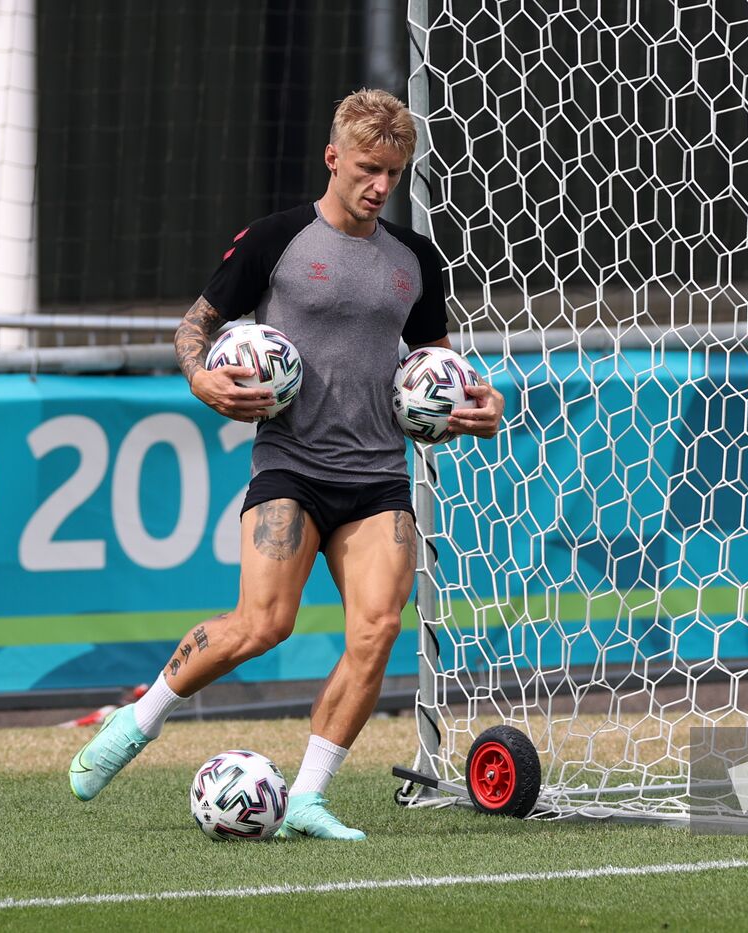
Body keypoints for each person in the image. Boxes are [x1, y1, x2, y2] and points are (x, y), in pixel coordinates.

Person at [68, 88, 504, 841]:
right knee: (262, 624)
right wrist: (201, 376)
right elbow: (195, 326)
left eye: (393, 174)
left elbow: (434, 371)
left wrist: (472, 410)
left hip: (377, 476)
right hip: (291, 466)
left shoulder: (416, 260)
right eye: (367, 168)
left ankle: (306, 795)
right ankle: (136, 723)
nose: (379, 185)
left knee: (378, 627)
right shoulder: (276, 238)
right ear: (332, 157)